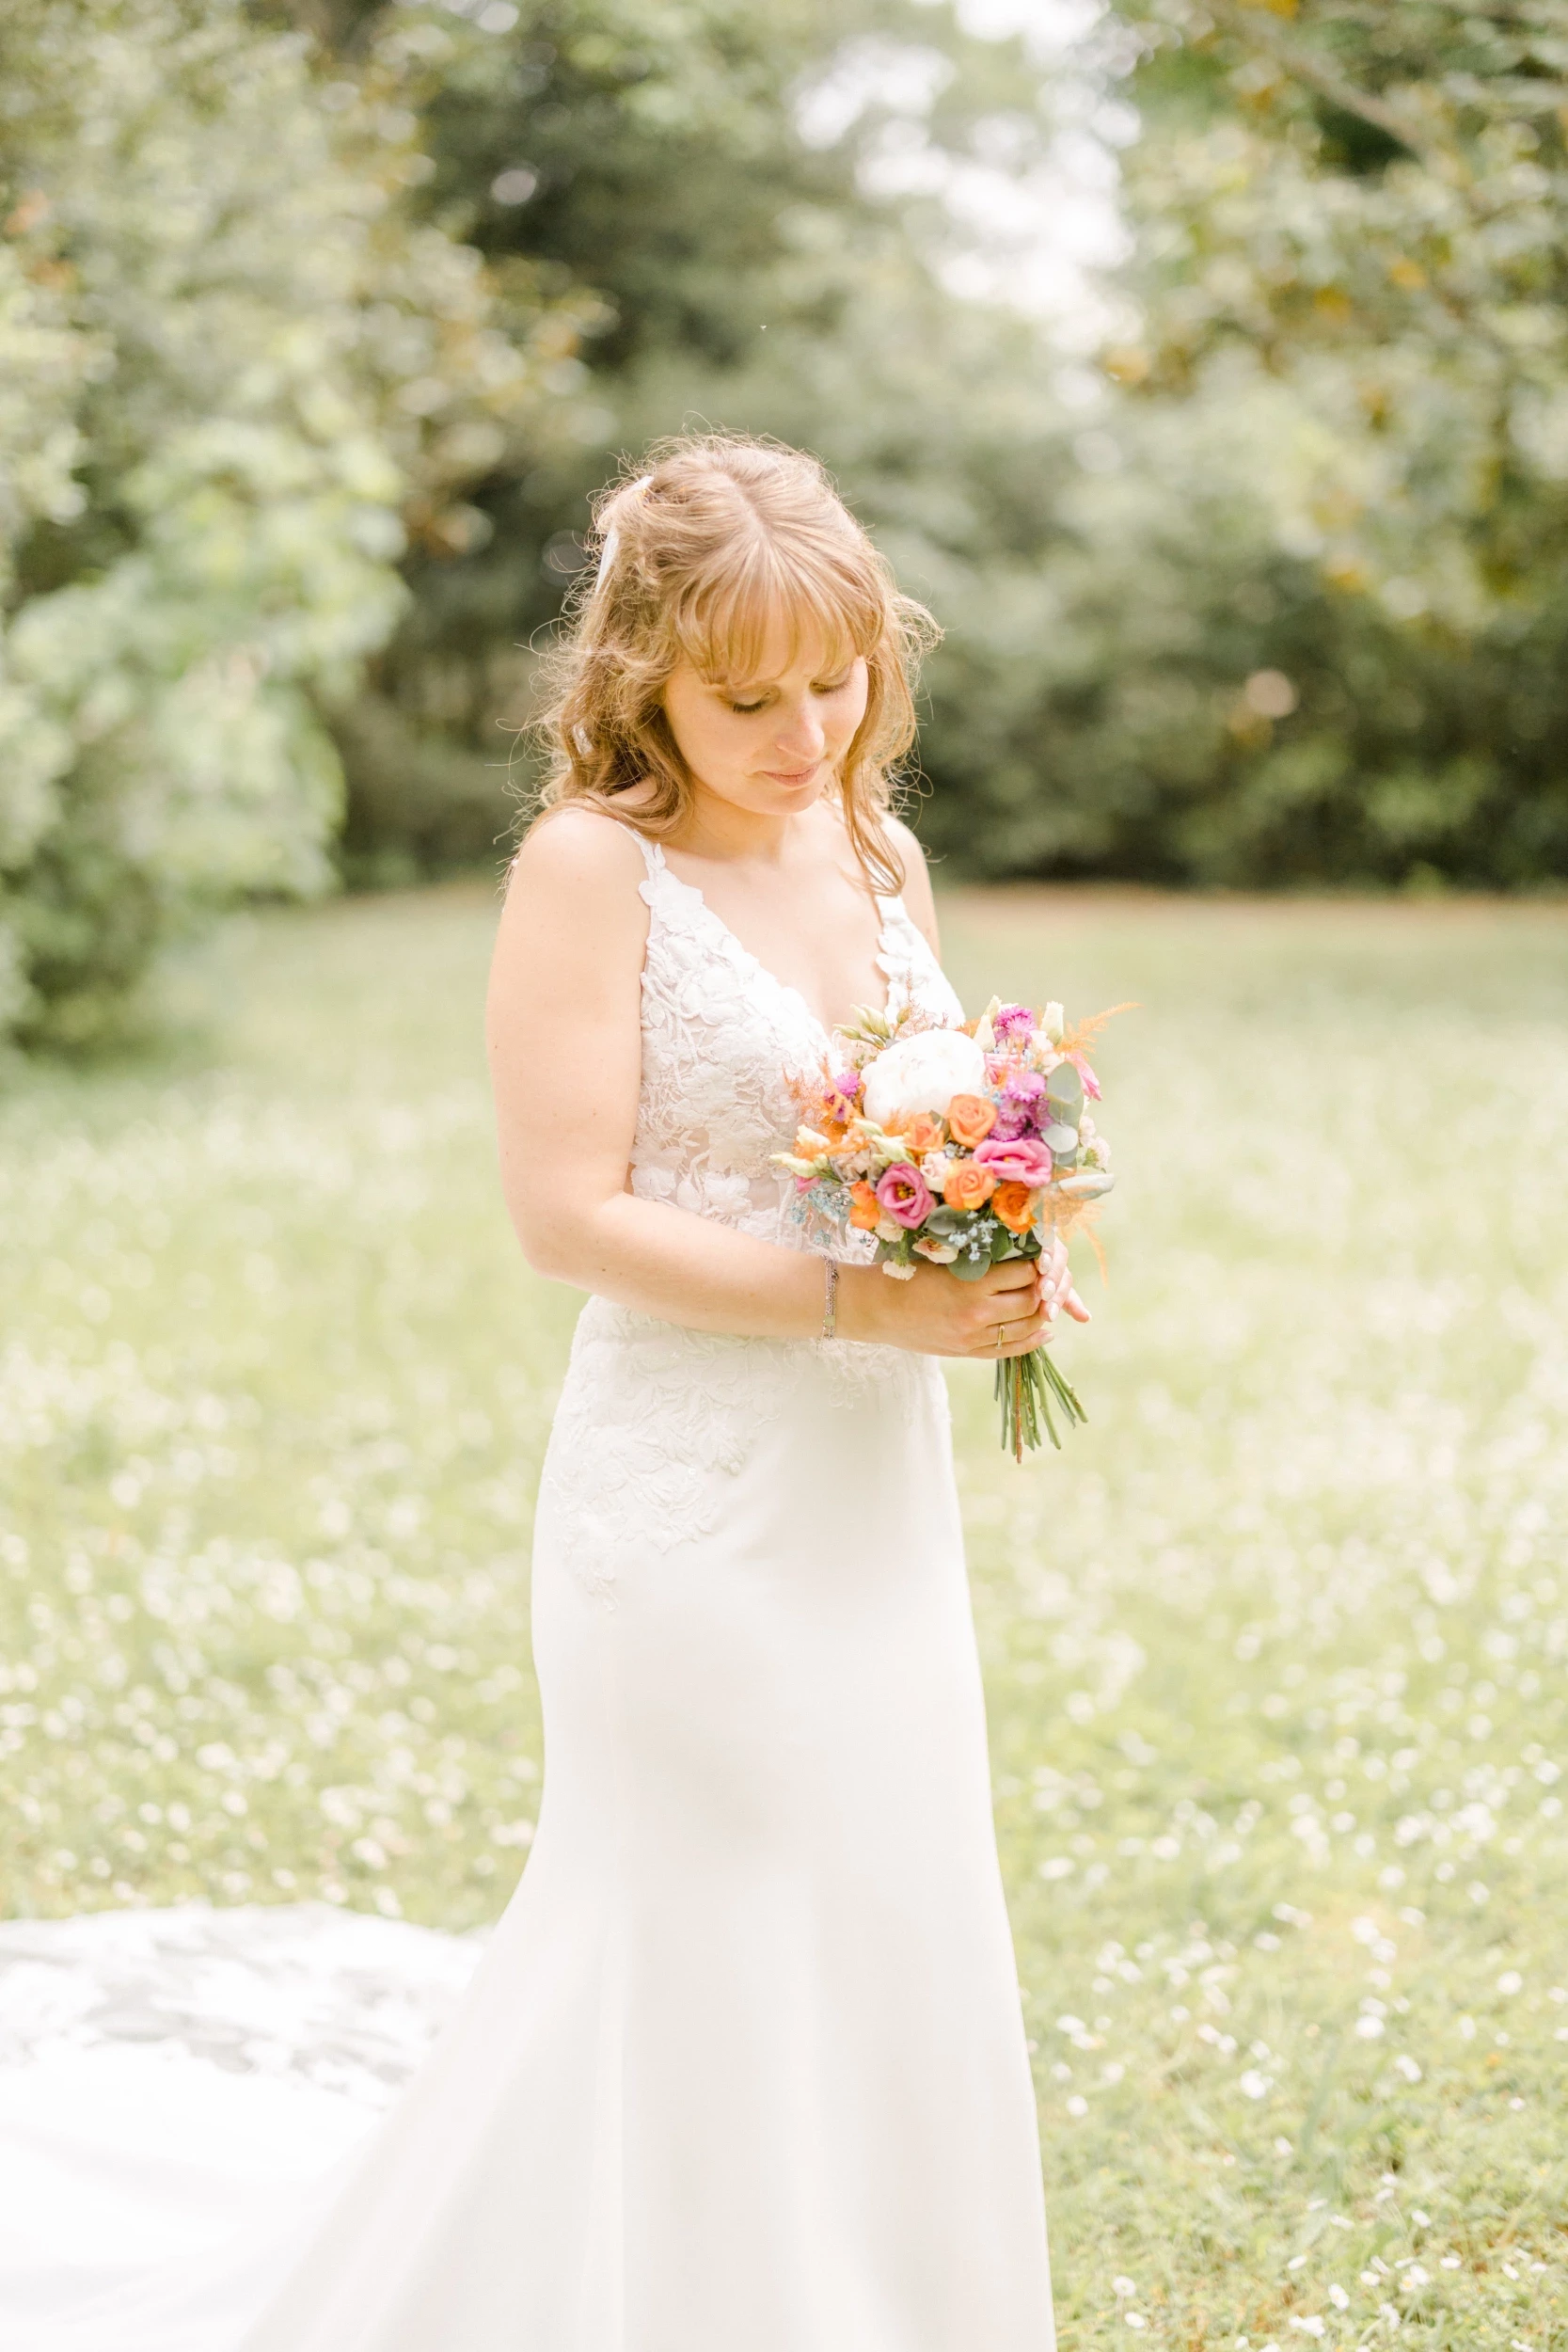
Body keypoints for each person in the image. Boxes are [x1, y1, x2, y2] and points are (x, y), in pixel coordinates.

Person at [0, 434, 1085, 2349]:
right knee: (704, 1917)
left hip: (865, 1493)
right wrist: (860, 1290)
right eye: (744, 695)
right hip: (687, 1508)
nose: (798, 728)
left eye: (832, 679)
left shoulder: (875, 850)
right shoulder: (593, 869)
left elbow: (932, 1134)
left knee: (877, 1890)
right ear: (642, 673)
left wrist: (1002, 1243)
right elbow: (563, 1215)